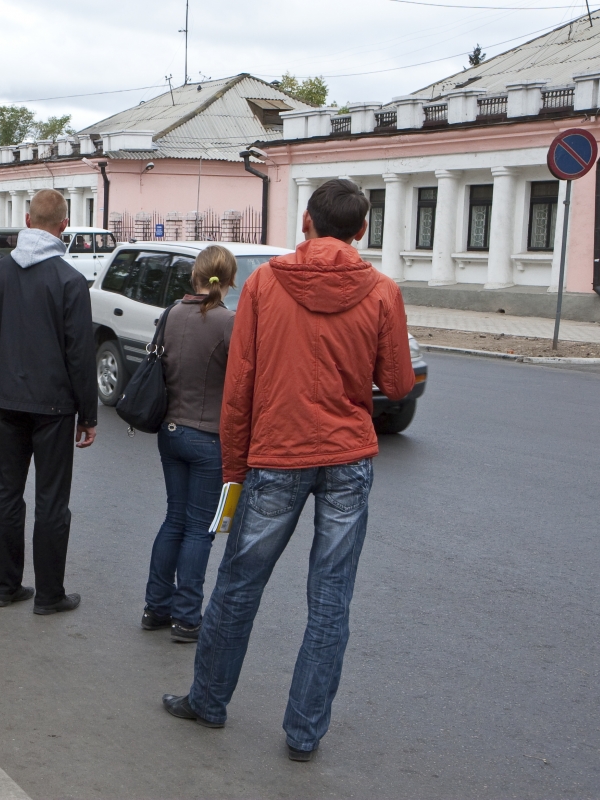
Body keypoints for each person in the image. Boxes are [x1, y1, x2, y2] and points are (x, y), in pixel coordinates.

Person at [161, 179, 416, 762]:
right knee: (330, 599)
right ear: (362, 231)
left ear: (305, 222)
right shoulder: (380, 290)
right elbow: (399, 384)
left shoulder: (265, 285)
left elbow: (240, 386)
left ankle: (209, 700)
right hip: (348, 457)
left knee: (238, 584)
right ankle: (304, 733)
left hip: (276, 454)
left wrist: (234, 468)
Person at [0, 189, 97, 615]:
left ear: (27, 220)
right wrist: (89, 413)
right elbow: (80, 354)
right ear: (63, 227)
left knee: (7, 494)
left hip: (7, 401)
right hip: (54, 407)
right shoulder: (69, 280)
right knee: (51, 500)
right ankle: (49, 594)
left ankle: (5, 587)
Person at [141, 246, 237, 644]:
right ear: (227, 280)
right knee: (200, 529)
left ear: (194, 275)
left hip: (170, 431)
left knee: (173, 520)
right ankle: (186, 618)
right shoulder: (227, 322)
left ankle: (155, 608)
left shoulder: (170, 314)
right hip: (207, 437)